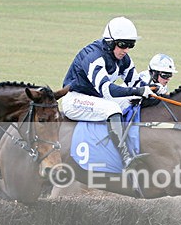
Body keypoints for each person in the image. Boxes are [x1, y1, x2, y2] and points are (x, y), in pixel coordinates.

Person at [62, 16, 153, 169]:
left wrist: (155, 91)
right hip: (75, 99)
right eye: (123, 45)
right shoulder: (93, 56)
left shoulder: (124, 59)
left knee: (134, 100)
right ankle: (125, 156)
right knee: (113, 109)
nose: (126, 50)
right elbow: (107, 90)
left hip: (97, 98)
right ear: (110, 42)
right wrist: (138, 90)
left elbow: (136, 83)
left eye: (131, 45)